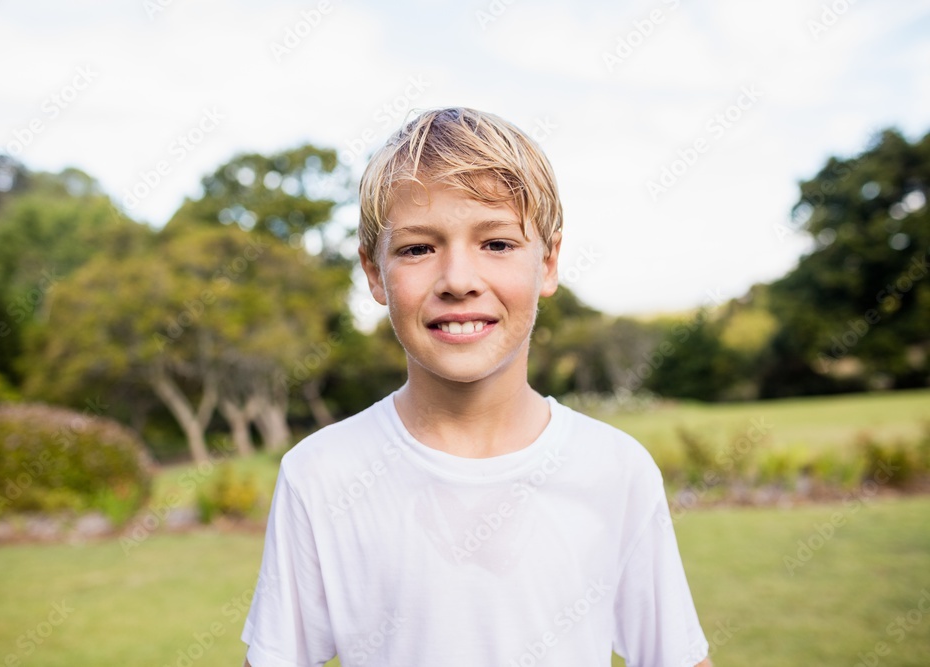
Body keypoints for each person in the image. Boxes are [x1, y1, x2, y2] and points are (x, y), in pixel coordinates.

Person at [241, 107, 712, 667]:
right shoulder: (320, 475)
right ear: (374, 273)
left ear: (549, 262)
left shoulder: (617, 470)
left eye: (497, 244)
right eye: (418, 248)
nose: (459, 281)